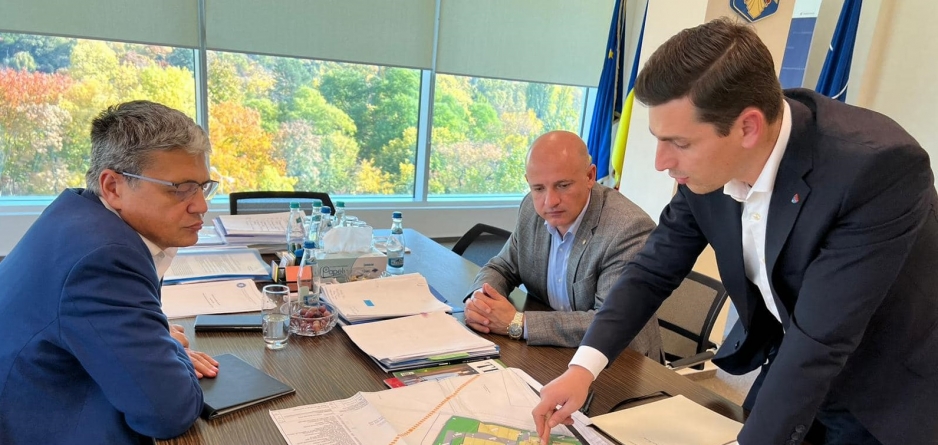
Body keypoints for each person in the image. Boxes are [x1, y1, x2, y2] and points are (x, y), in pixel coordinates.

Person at [533, 18, 938, 445]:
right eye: (658, 139)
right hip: (791, 359)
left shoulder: (877, 169)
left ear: (748, 127)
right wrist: (582, 369)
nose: (660, 162)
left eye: (679, 143)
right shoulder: (709, 168)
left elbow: (821, 342)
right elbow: (650, 273)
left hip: (888, 390)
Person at [0, 100, 223, 444]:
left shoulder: (77, 212)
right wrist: (167, 347)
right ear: (113, 187)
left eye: (203, 186)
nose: (201, 205)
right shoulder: (103, 259)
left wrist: (155, 341)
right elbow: (169, 413)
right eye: (180, 188)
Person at [464, 130, 663, 359]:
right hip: (553, 350)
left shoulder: (627, 229)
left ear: (590, 176)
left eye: (563, 185)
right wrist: (481, 302)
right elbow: (502, 267)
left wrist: (518, 322)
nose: (550, 201)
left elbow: (608, 323)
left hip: (620, 360)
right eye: (538, 188)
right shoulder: (531, 208)